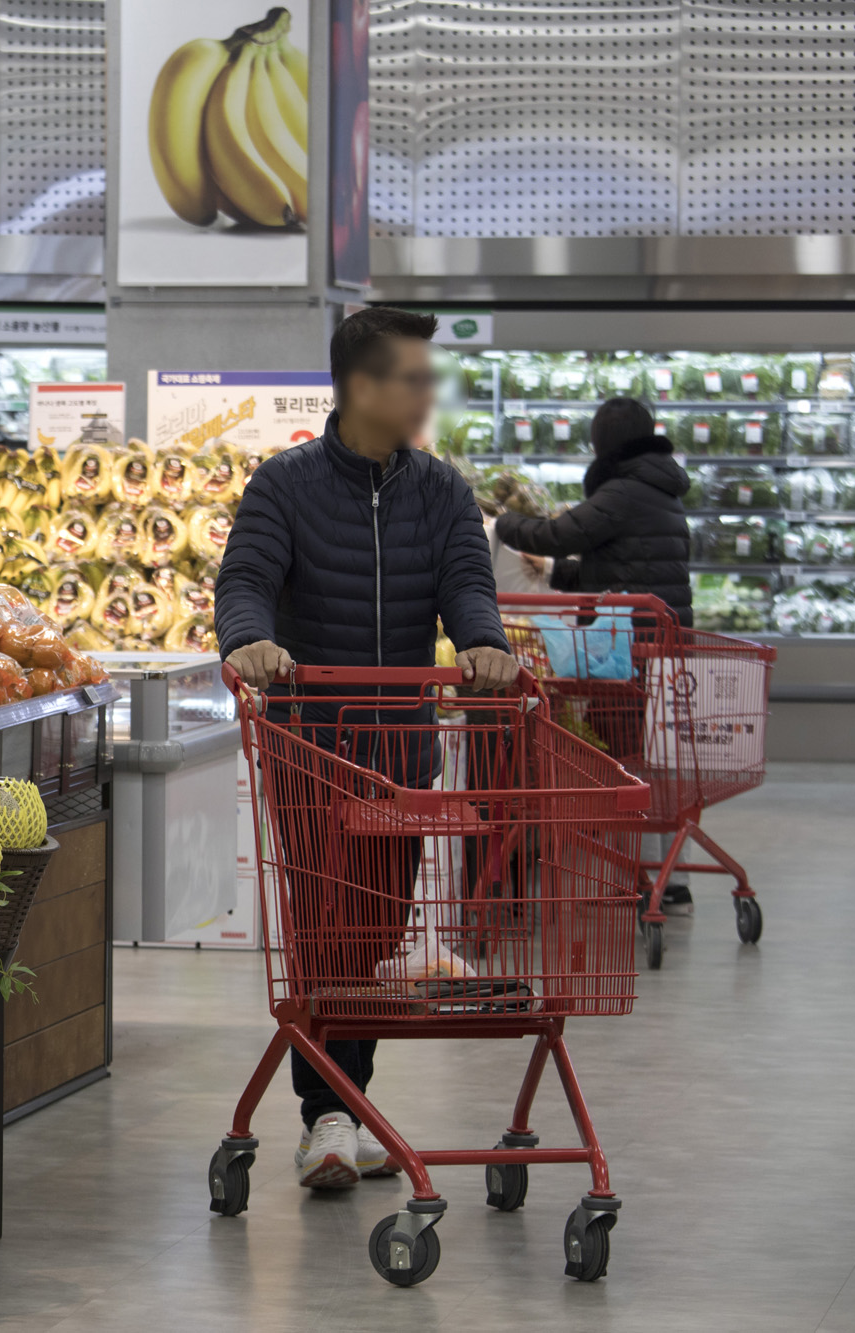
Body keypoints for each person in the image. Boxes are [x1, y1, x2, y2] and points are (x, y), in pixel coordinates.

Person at [214, 306, 517, 1191]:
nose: (427, 393)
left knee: (376, 934)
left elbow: (466, 585)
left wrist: (484, 642)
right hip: (311, 752)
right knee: (325, 927)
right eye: (412, 377)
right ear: (360, 386)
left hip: (402, 755)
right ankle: (329, 1115)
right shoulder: (285, 485)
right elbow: (246, 578)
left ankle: (348, 1104)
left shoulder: (444, 491)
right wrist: (249, 639)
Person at [493, 396, 695, 912]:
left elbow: (563, 533)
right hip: (654, 645)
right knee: (645, 758)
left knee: (622, 758)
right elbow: (620, 566)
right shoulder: (660, 488)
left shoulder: (625, 490)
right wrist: (556, 575)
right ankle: (659, 874)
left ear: (604, 443)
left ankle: (642, 875)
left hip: (628, 651)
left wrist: (501, 524)